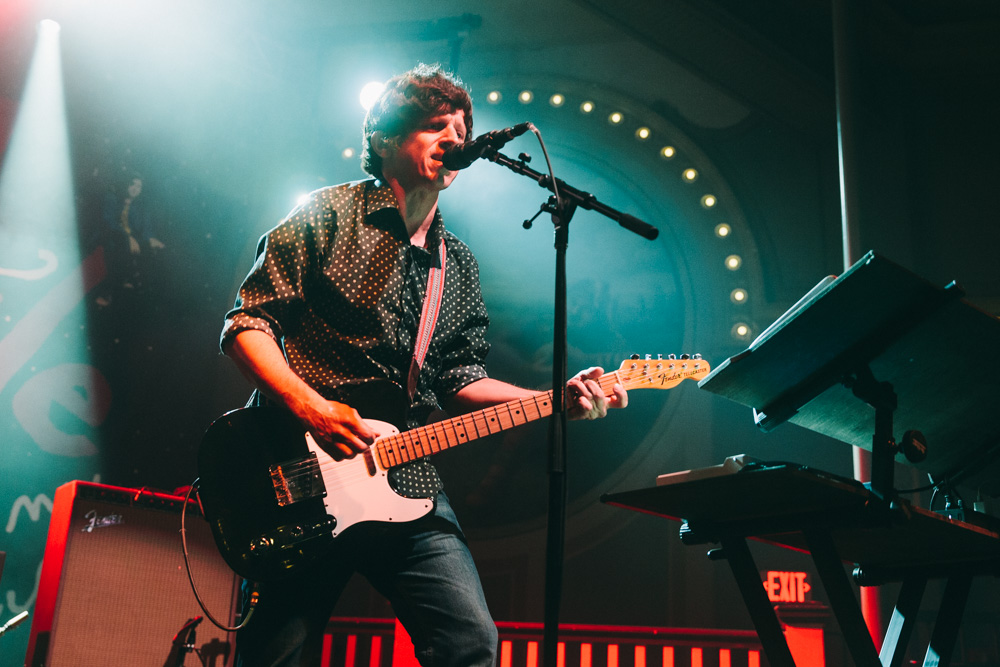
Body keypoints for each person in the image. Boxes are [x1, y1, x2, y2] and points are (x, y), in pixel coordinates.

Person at [220, 63, 628, 667]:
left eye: (461, 131)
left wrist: (554, 400)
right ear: (385, 138)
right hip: (296, 470)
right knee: (276, 655)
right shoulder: (326, 214)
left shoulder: (455, 263)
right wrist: (314, 410)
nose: (454, 139)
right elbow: (247, 326)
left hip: (404, 480)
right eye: (435, 126)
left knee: (469, 644)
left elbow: (462, 380)